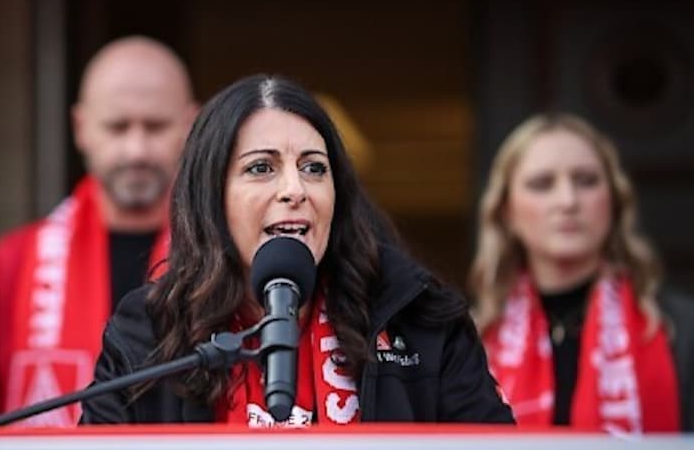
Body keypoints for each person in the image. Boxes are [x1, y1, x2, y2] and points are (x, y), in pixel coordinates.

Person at [80, 74, 514, 426]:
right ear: (211, 197)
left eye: (313, 168)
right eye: (261, 168)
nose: (295, 189)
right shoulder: (146, 334)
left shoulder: (420, 319)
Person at [0, 36, 200, 427]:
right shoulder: (9, 266)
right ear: (81, 128)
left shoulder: (223, 259)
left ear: (191, 125)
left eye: (155, 126)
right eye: (117, 127)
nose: (136, 150)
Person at [468, 112, 694, 433]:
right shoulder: (471, 343)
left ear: (614, 200)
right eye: (542, 184)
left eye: (586, 181)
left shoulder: (693, 333)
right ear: (507, 211)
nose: (568, 201)